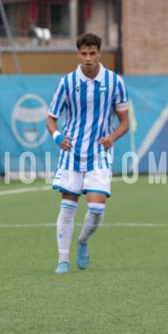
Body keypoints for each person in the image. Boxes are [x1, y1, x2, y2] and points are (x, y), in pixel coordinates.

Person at [47, 32, 129, 274]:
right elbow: (51, 119)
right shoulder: (67, 83)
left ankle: (82, 241)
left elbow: (124, 122)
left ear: (99, 53)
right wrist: (58, 137)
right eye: (84, 53)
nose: (88, 58)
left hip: (100, 154)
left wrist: (112, 137)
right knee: (68, 206)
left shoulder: (115, 82)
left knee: (96, 209)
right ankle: (63, 260)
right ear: (78, 54)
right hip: (72, 153)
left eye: (92, 53)